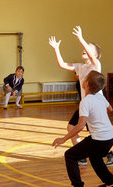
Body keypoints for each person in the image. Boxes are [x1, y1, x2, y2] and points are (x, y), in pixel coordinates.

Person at [49, 26, 102, 165]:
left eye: (89, 48)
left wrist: (80, 38)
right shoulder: (80, 66)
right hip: (84, 104)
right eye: (84, 47)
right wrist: (56, 48)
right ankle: (82, 156)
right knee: (71, 127)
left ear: (94, 54)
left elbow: (90, 55)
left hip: (95, 104)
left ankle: (109, 154)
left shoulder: (96, 65)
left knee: (96, 133)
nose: (84, 49)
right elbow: (61, 64)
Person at [52, 71, 113, 187]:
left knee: (70, 155)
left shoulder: (85, 101)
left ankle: (78, 185)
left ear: (87, 84)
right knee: (95, 156)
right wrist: (97, 116)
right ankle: (110, 182)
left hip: (99, 139)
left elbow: (80, 125)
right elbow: (110, 109)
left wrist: (63, 139)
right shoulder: (100, 97)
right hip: (110, 137)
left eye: (85, 79)